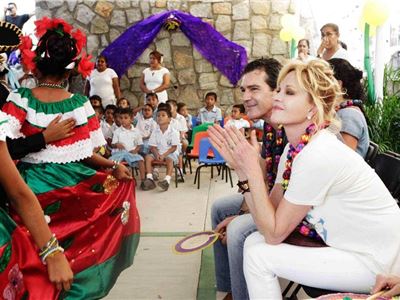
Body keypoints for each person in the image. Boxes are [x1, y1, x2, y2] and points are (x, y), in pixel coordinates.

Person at [208, 60, 400, 299]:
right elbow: (271, 213)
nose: (278, 97)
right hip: (352, 250)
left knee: (260, 256)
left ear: (313, 107)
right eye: (278, 90)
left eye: (289, 92)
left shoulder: (318, 153)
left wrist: (253, 173)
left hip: (379, 262)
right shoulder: (295, 150)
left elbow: (274, 233)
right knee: (254, 243)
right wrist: (243, 171)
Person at [2, 17, 140, 298]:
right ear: (71, 71)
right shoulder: (80, 104)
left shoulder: (20, 98)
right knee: (77, 253)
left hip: (29, 187)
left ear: (34, 65)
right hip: (73, 188)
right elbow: (86, 154)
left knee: (31, 258)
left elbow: (7, 141)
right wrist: (114, 167)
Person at [210, 58, 284, 300]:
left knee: (239, 230)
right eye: (243, 89)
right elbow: (263, 180)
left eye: (254, 89)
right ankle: (229, 288)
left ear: (277, 90)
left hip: (291, 212)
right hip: (273, 198)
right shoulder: (270, 129)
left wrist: (242, 217)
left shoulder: (293, 131)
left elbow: (273, 192)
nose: (245, 96)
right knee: (220, 208)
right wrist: (242, 168)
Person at [329, 58, 370, 158]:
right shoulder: (343, 111)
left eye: (322, 80)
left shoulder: (349, 115)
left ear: (338, 84)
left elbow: (342, 160)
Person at [142, 104, 180, 191]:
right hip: (157, 152)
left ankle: (166, 180)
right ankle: (150, 178)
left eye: (163, 115)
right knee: (147, 157)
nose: (160, 117)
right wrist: (157, 154)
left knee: (169, 160)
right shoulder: (155, 131)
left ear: (169, 119)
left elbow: (174, 147)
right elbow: (152, 146)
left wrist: (164, 155)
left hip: (169, 153)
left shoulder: (173, 132)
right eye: (158, 115)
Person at [110, 108, 146, 189]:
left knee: (140, 160)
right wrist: (117, 145)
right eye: (121, 118)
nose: (123, 120)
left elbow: (139, 144)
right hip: (119, 153)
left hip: (131, 153)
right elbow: (113, 144)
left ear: (131, 119)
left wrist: (136, 150)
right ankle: (114, 181)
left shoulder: (136, 131)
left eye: (125, 118)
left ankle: (143, 180)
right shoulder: (117, 131)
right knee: (111, 162)